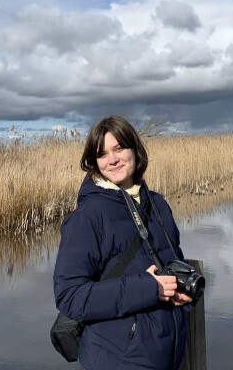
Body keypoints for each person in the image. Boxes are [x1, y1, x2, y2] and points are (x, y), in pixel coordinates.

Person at [53, 115, 193, 370]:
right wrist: (149, 289)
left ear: (135, 150)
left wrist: (178, 288)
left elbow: (173, 258)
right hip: (117, 359)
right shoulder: (88, 217)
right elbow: (69, 296)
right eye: (102, 153)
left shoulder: (157, 203)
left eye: (119, 148)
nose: (112, 159)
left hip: (166, 355)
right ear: (94, 161)